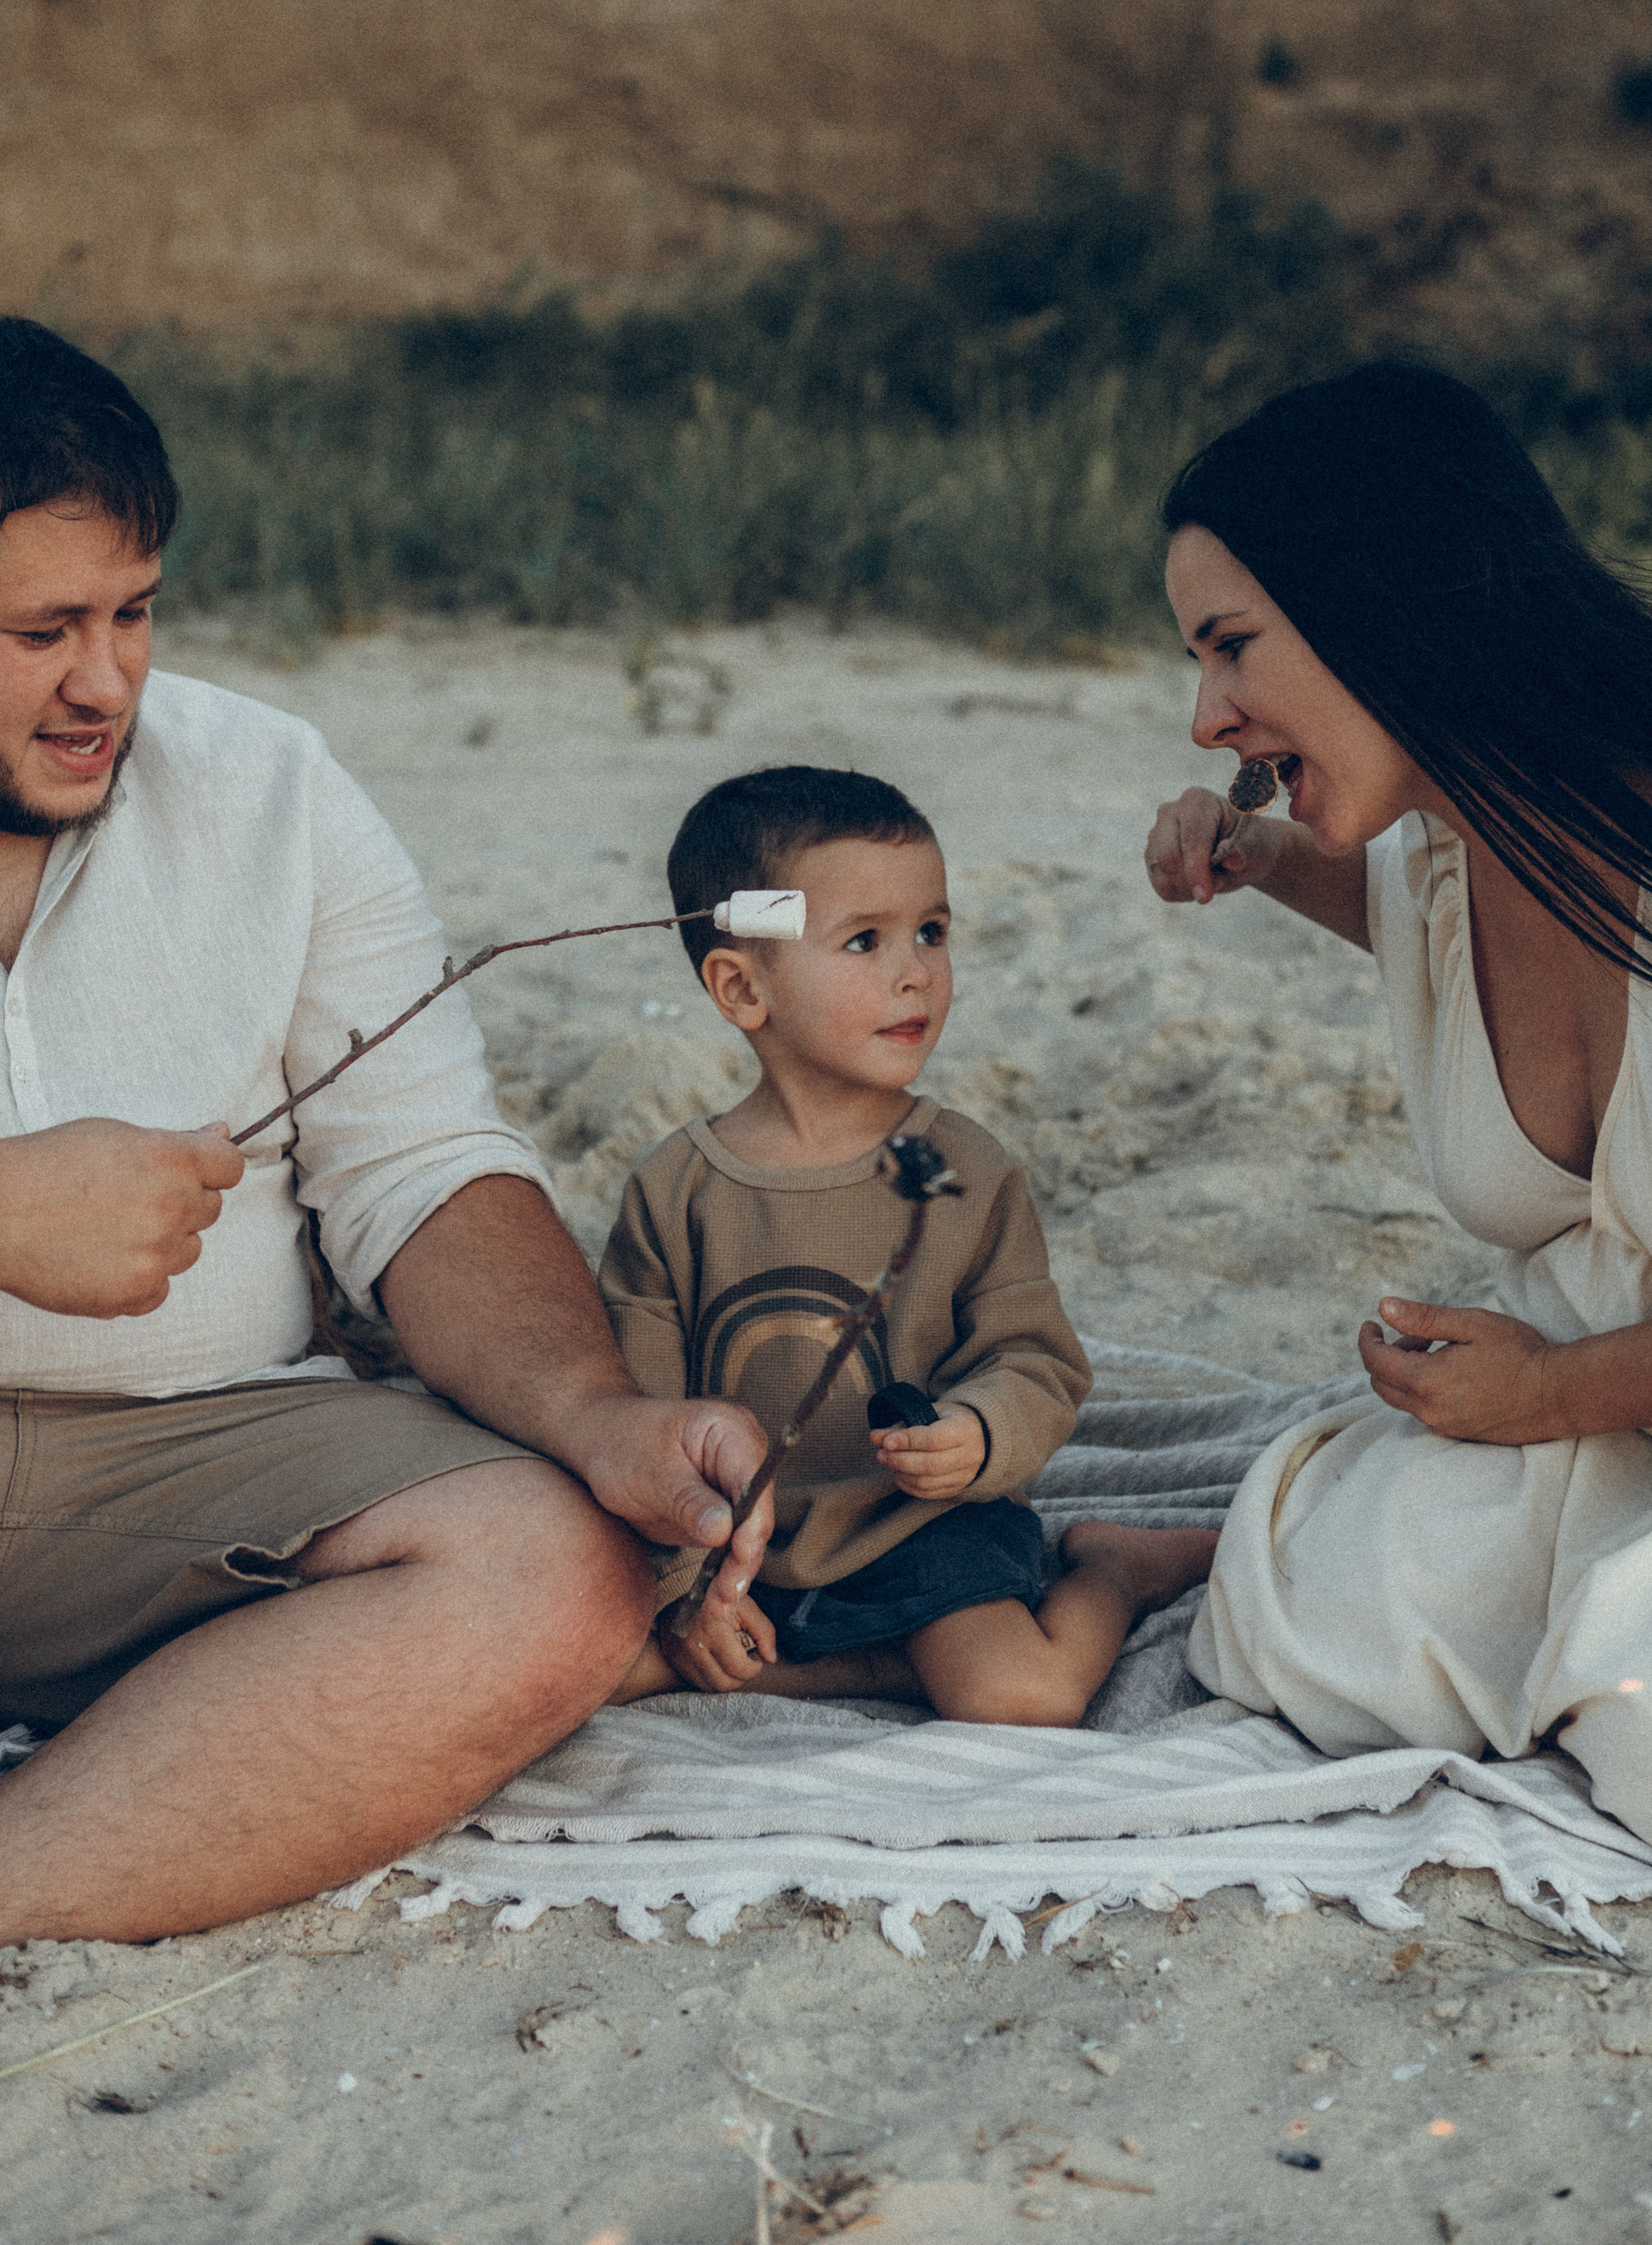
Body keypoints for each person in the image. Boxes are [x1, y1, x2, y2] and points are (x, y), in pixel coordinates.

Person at [0, 318, 770, 1945]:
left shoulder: (267, 789)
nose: (105, 682)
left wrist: (594, 1415)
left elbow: (416, 1167)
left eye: (133, 614)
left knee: (556, 1568)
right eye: (40, 631)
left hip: (179, 1470)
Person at [1143, 359, 1652, 1841]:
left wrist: (1552, 1393)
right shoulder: (1455, 846)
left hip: (1594, 1409)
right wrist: (1264, 857)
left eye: (1231, 647)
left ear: (1386, 594)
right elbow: (1456, 954)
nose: (1203, 718)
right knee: (1302, 1593)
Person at [603, 766, 1218, 1722]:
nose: (915, 971)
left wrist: (979, 1434)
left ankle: (1118, 1571)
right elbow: (640, 1414)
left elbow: (1034, 1356)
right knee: (596, 1662)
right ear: (742, 986)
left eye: (932, 931)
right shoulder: (675, 1192)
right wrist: (687, 1590)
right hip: (746, 1545)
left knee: (1021, 1694)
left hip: (921, 1530)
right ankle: (886, 1666)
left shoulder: (960, 1167)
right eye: (865, 941)